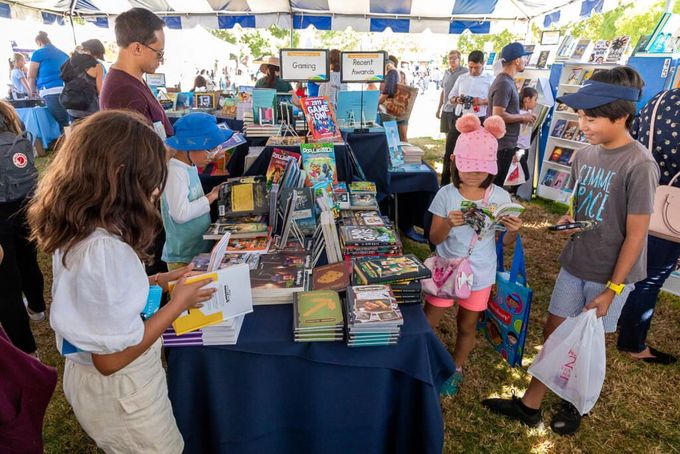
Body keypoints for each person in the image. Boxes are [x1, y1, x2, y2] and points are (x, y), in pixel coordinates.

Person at [27, 110, 216, 452]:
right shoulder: (102, 250)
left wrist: (159, 280)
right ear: (120, 177)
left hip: (106, 387)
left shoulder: (84, 229)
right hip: (122, 392)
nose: (155, 191)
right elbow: (110, 359)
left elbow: (105, 298)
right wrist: (177, 304)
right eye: (151, 182)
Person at [483, 67, 658, 435]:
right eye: (579, 115)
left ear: (622, 116)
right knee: (556, 332)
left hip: (609, 276)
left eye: (590, 117)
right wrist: (568, 221)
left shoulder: (639, 164)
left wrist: (613, 290)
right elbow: (579, 206)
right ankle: (531, 404)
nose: (582, 124)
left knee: (583, 342)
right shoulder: (583, 157)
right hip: (575, 264)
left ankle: (573, 402)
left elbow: (636, 235)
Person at [425, 113, 522, 396]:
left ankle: (456, 367)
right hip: (445, 269)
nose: (474, 174)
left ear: (492, 167)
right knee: (428, 321)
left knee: (467, 325)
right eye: (468, 167)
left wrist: (514, 230)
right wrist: (447, 223)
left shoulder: (501, 198)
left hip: (480, 273)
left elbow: (506, 241)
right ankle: (423, 361)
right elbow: (433, 238)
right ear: (455, 162)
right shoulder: (446, 194)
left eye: (481, 169)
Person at [617, 87, 680, 365]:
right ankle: (632, 343)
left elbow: (635, 139)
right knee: (650, 278)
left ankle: (618, 320)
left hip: (640, 194)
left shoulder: (660, 99)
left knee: (632, 265)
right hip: (670, 211)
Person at [0, 100, 45, 357]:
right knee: (29, 259)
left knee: (5, 284)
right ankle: (38, 308)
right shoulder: (18, 138)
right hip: (26, 206)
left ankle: (27, 350)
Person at [162, 113, 229, 269]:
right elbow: (180, 214)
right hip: (183, 257)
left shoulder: (188, 165)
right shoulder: (175, 171)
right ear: (190, 146)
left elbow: (191, 201)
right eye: (209, 149)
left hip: (196, 249)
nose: (212, 154)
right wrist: (210, 197)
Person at [100, 7, 173, 139]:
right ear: (137, 48)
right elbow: (138, 155)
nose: (161, 60)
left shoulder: (132, 79)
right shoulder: (123, 92)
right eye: (159, 53)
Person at [441, 51, 494, 186]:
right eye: (470, 67)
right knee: (450, 150)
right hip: (460, 118)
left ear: (483, 64)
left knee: (474, 152)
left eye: (476, 67)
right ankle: (445, 182)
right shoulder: (462, 78)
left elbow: (494, 100)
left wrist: (481, 101)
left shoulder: (490, 79)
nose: (473, 70)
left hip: (480, 119)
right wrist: (458, 99)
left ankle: (471, 183)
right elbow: (450, 96)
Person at [488, 42, 536, 187]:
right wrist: (523, 117)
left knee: (497, 184)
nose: (525, 61)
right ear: (516, 60)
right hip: (501, 145)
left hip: (505, 143)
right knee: (495, 185)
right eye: (523, 58)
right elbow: (498, 115)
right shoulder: (504, 83)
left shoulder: (506, 81)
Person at [27, 31, 69, 129]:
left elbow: (31, 75)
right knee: (69, 121)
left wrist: (32, 91)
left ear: (39, 42)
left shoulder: (38, 53)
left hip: (50, 91)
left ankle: (69, 143)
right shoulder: (63, 54)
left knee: (64, 124)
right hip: (67, 90)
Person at [59, 39, 106, 121]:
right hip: (89, 107)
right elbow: (100, 91)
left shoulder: (70, 62)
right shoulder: (97, 66)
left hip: (70, 105)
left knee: (75, 132)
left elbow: (64, 79)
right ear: (96, 53)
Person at [510, 86, 539, 194]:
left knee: (519, 174)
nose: (536, 103)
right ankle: (510, 193)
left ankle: (512, 194)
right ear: (527, 99)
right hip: (518, 148)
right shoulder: (520, 114)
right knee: (522, 175)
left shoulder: (526, 113)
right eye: (535, 99)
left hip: (524, 148)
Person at [436, 50, 467, 138]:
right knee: (447, 136)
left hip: (458, 110)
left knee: (457, 137)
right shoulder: (446, 72)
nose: (452, 60)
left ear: (459, 59)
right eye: (450, 58)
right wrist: (439, 109)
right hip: (446, 109)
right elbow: (443, 91)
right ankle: (448, 152)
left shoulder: (465, 72)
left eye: (454, 58)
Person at [379, 55, 408, 141]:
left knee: (392, 138)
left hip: (390, 109)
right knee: (396, 137)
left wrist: (375, 103)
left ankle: (396, 154)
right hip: (396, 108)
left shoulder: (392, 72)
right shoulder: (393, 72)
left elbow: (387, 92)